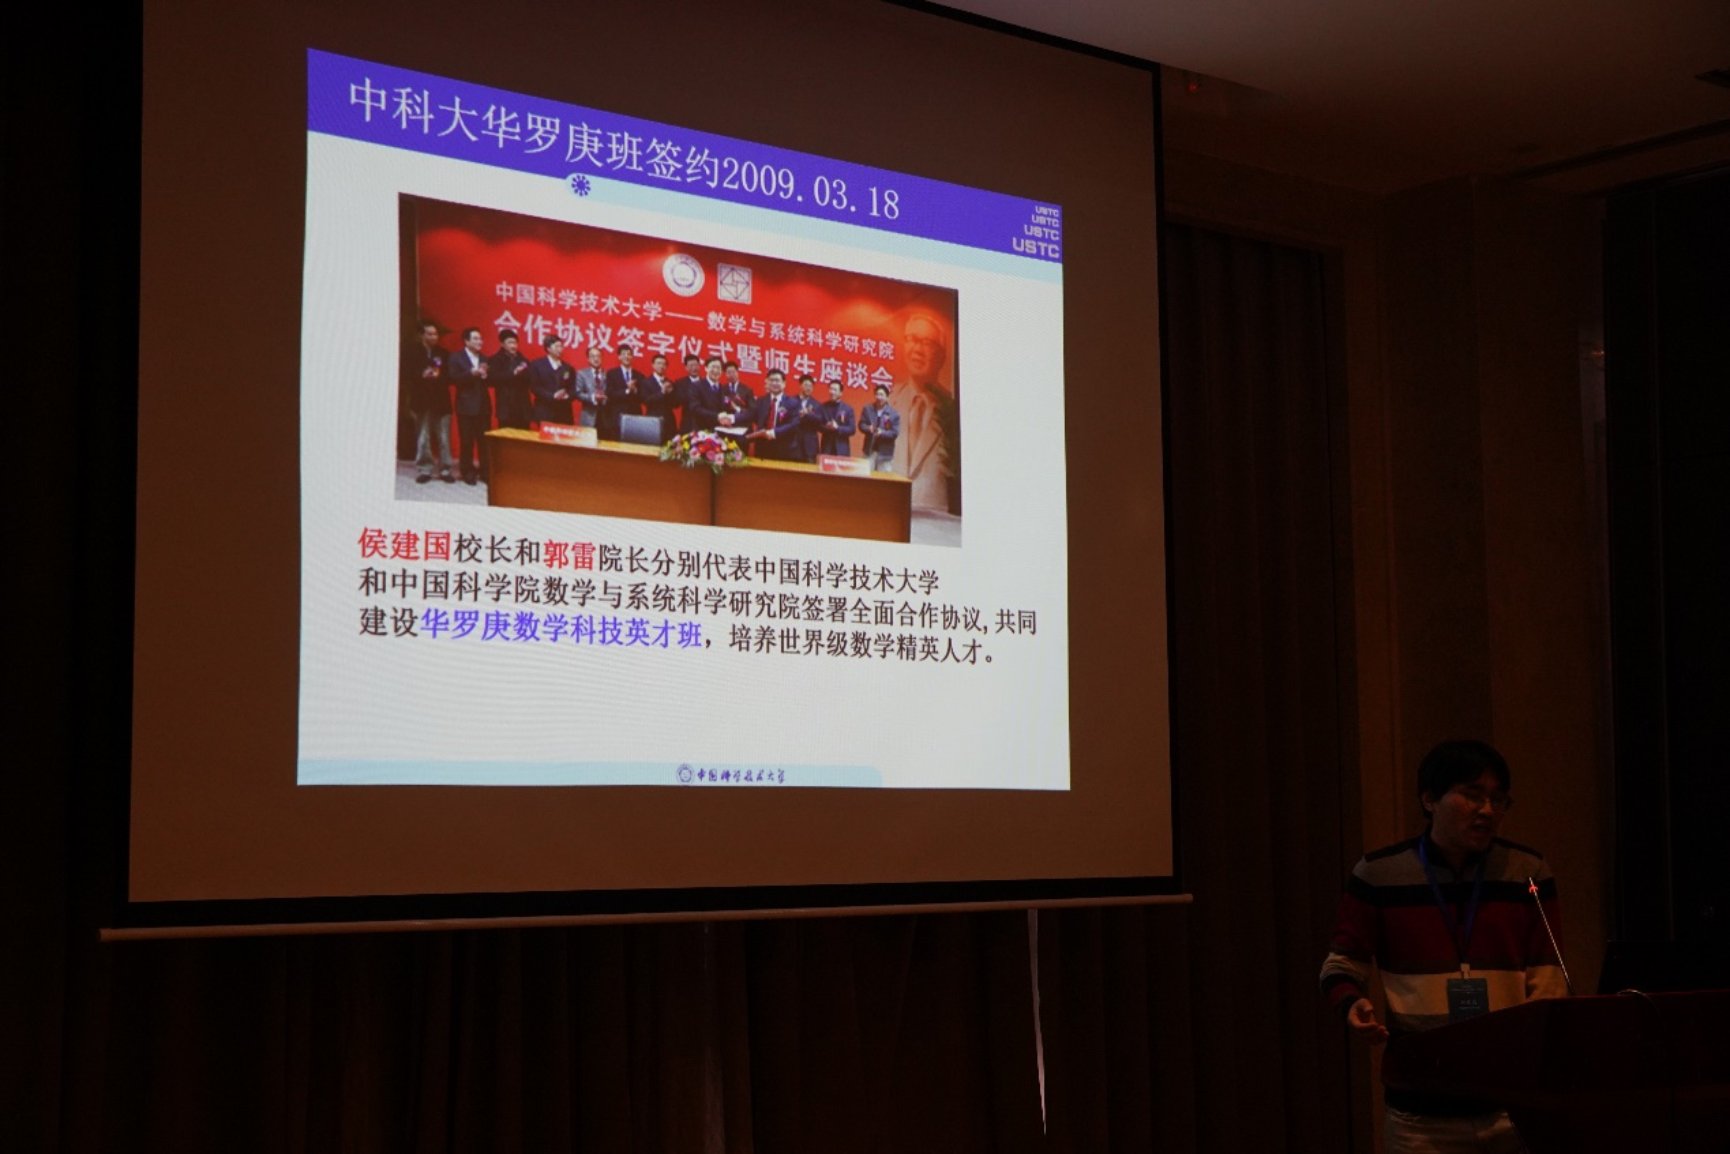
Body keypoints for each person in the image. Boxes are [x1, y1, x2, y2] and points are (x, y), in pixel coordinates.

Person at [1320, 740, 1566, 1153]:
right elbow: (1341, 963)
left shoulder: (1527, 873)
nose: (1487, 810)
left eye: (1498, 800)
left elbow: (1549, 977)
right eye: (1472, 795)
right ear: (1430, 799)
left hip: (1510, 1107)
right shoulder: (1379, 874)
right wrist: (1351, 1003)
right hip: (1420, 1116)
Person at [888, 311, 955, 510]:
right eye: (912, 339)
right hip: (889, 509)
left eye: (927, 343)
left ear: (941, 356)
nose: (917, 349)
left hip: (937, 518)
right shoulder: (887, 400)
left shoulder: (952, 411)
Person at [406, 321, 454, 485]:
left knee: (444, 437)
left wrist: (437, 376)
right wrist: (422, 374)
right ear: (422, 335)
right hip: (421, 399)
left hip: (441, 400)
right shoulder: (412, 352)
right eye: (430, 334)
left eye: (436, 334)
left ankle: (445, 469)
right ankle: (425, 469)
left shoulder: (444, 353)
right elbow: (406, 374)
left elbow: (450, 376)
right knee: (423, 436)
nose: (434, 337)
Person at [447, 326, 491, 485]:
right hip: (465, 405)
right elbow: (452, 378)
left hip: (483, 406)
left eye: (481, 338)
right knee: (467, 441)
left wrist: (486, 376)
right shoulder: (456, 357)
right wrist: (471, 373)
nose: (480, 342)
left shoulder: (485, 358)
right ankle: (467, 471)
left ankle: (485, 471)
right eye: (476, 339)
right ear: (466, 341)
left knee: (484, 441)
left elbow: (490, 381)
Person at [743, 369, 802, 461]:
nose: (774, 383)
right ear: (767, 383)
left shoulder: (793, 403)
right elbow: (749, 415)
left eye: (777, 380)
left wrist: (774, 432)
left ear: (784, 383)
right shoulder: (761, 401)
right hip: (763, 450)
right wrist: (732, 418)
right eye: (771, 380)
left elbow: (793, 425)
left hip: (785, 450)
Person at [488, 328, 531, 430]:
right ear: (502, 344)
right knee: (506, 436)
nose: (513, 346)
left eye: (515, 343)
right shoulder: (495, 360)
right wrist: (513, 373)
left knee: (523, 436)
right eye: (510, 342)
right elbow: (493, 379)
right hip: (506, 408)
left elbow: (531, 380)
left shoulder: (523, 360)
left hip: (523, 408)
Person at [528, 335, 576, 425]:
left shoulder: (568, 368)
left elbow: (573, 388)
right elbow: (534, 387)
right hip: (544, 411)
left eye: (561, 346)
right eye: (557, 346)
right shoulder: (537, 365)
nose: (560, 349)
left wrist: (567, 396)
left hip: (563, 413)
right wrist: (552, 396)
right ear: (548, 348)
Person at [602, 342, 645, 441]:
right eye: (624, 354)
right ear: (619, 357)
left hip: (635, 417)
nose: (627, 357)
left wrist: (635, 390)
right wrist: (627, 391)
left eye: (629, 354)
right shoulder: (612, 373)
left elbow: (643, 397)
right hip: (616, 416)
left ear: (632, 357)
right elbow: (610, 393)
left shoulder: (639, 376)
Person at [858, 384, 900, 471]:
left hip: (885, 453)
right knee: (865, 475)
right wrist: (868, 428)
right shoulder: (868, 409)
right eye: (877, 394)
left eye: (881, 395)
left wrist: (882, 433)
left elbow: (895, 433)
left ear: (887, 397)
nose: (879, 397)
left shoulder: (894, 414)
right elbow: (861, 424)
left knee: (883, 478)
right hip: (869, 450)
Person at [640, 352, 678, 442]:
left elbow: (675, 404)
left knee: (669, 447)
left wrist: (671, 393)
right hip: (652, 420)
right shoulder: (646, 382)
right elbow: (646, 401)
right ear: (653, 365)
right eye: (659, 363)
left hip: (669, 421)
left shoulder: (670, 382)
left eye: (664, 364)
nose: (661, 366)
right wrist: (662, 392)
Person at [817, 378, 856, 457]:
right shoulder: (823, 407)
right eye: (830, 389)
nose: (832, 392)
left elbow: (852, 429)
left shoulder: (848, 409)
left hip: (841, 449)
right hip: (827, 448)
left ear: (841, 393)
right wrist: (827, 427)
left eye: (835, 390)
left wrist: (838, 428)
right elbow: (818, 425)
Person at [573, 344, 607, 430]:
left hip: (606, 417)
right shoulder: (582, 374)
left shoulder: (607, 374)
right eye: (592, 356)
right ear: (588, 359)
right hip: (588, 417)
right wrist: (593, 397)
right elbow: (578, 394)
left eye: (598, 356)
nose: (596, 359)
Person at [790, 374, 822, 462]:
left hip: (810, 446)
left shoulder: (817, 404)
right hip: (793, 444)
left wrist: (808, 414)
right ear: (800, 385)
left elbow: (820, 420)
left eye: (811, 386)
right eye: (806, 385)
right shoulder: (791, 401)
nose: (808, 388)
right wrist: (798, 414)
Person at [675, 353, 706, 433]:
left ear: (699, 366)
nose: (694, 368)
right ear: (686, 368)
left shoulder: (706, 383)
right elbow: (678, 403)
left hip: (703, 423)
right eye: (691, 366)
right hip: (687, 423)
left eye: (696, 365)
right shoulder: (680, 383)